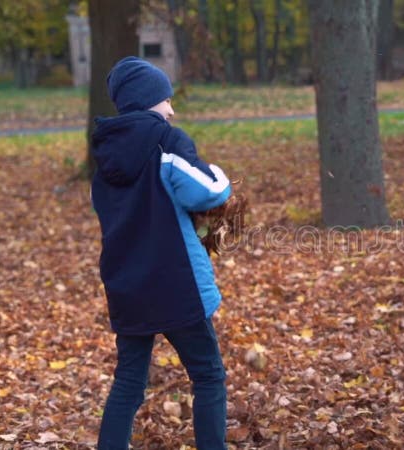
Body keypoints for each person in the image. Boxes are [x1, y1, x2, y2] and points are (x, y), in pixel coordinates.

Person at [90, 56, 231, 449]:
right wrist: (219, 173)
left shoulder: (104, 158)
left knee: (129, 383)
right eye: (167, 99)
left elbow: (102, 206)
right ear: (150, 100)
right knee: (208, 376)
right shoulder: (166, 142)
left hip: (126, 287)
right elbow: (208, 189)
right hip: (175, 285)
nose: (172, 108)